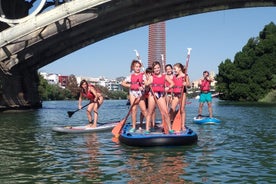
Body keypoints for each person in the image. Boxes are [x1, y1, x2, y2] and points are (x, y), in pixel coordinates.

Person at [144, 61, 174, 134]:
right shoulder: (151, 76)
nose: (157, 69)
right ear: (153, 70)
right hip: (152, 94)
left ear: (160, 67)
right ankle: (147, 129)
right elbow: (146, 84)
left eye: (158, 67)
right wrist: (146, 81)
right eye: (155, 68)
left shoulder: (164, 76)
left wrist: (168, 88)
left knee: (166, 112)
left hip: (160, 95)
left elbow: (172, 83)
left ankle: (170, 128)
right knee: (150, 112)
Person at [121, 59, 148, 133]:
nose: (138, 68)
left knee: (144, 110)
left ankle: (149, 126)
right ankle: (133, 126)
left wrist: (144, 85)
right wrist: (130, 85)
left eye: (139, 67)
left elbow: (146, 83)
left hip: (140, 93)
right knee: (133, 110)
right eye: (136, 67)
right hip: (133, 93)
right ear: (133, 67)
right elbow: (123, 83)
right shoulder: (130, 76)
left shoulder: (143, 75)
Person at [170, 63, 191, 131]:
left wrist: (186, 84)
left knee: (182, 109)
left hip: (182, 94)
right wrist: (171, 94)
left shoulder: (185, 76)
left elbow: (189, 85)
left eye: (175, 69)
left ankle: (182, 125)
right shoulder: (174, 76)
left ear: (179, 68)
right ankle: (172, 122)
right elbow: (173, 86)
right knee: (172, 109)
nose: (174, 70)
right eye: (173, 69)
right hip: (175, 95)